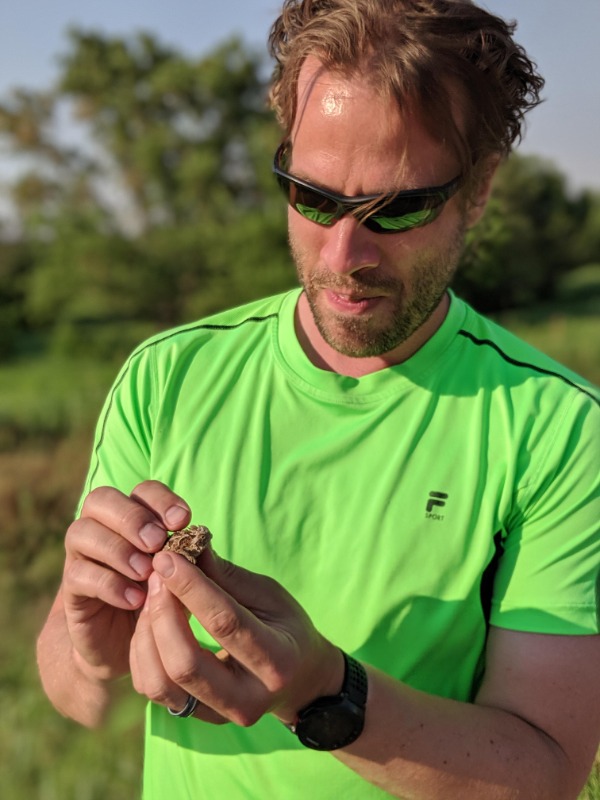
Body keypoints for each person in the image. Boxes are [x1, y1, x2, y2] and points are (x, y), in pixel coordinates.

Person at [37, 1, 599, 798]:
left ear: (478, 191)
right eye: (311, 195)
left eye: (398, 207)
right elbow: (76, 696)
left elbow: (544, 775)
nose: (344, 254)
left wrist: (321, 692)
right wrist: (90, 643)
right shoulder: (167, 376)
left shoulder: (559, 430)